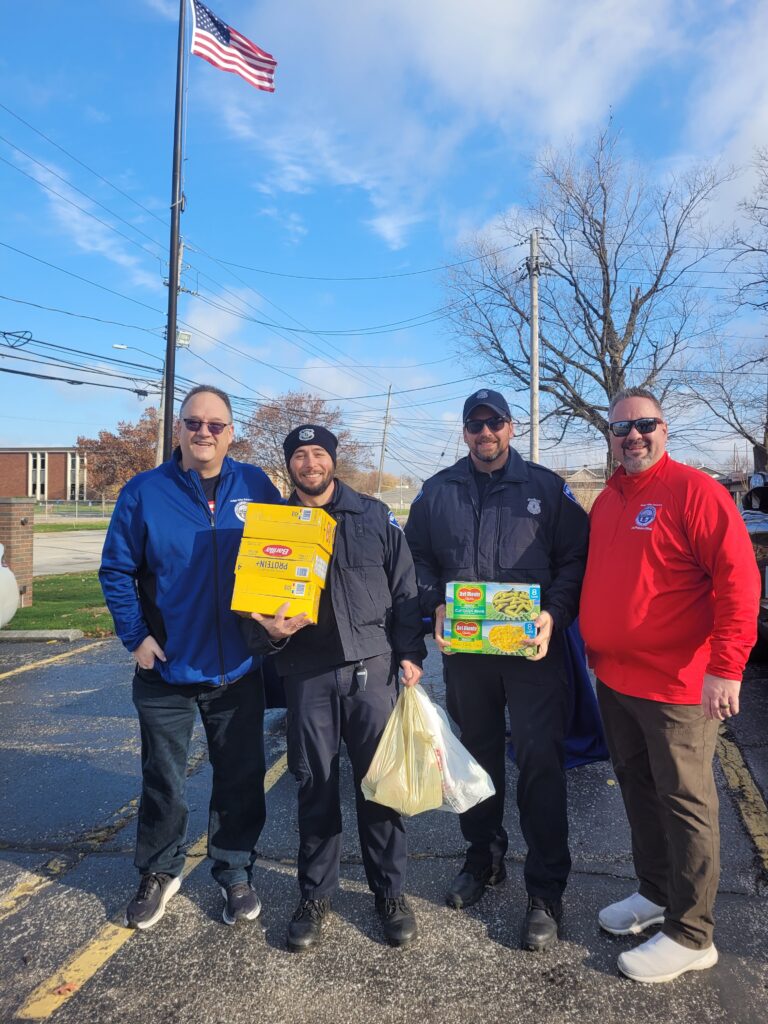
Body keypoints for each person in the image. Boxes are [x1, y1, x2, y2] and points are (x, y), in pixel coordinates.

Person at [579, 387, 760, 984]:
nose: (632, 436)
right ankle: (654, 892)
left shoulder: (695, 492)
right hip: (616, 679)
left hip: (679, 685)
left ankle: (692, 932)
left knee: (686, 804)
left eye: (644, 425)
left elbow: (738, 581)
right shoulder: (607, 500)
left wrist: (727, 666)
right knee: (637, 790)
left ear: (664, 429)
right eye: (620, 428)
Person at [404, 388, 589, 952]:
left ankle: (545, 891)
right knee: (477, 761)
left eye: (495, 423)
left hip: (532, 656)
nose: (485, 432)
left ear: (512, 428)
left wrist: (554, 615)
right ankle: (483, 858)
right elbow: (415, 560)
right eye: (475, 424)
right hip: (468, 658)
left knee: (539, 764)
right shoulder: (437, 493)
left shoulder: (545, 488)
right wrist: (434, 602)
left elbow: (574, 558)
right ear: (464, 432)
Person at [100, 385, 281, 930]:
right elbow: (116, 570)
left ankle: (233, 872)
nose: (204, 432)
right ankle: (159, 871)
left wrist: (282, 622)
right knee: (164, 781)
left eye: (216, 425)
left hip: (238, 670)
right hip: (167, 668)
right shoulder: (143, 492)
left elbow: (291, 554)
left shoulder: (256, 485)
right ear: (177, 428)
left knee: (239, 779)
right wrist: (135, 638)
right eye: (194, 423)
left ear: (232, 433)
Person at [241, 424, 426, 952]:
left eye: (318, 453)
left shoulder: (374, 516)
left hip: (373, 669)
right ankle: (315, 896)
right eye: (299, 456)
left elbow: (405, 588)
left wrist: (410, 653)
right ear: (289, 466)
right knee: (314, 784)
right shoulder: (274, 526)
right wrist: (268, 633)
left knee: (379, 785)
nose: (310, 463)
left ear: (333, 460)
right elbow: (250, 606)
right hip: (307, 673)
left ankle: (389, 893)